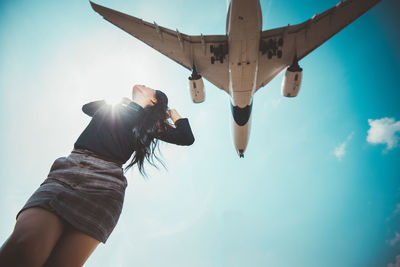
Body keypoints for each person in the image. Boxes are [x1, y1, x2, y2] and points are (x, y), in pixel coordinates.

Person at [0, 85, 195, 267]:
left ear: (154, 101)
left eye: (149, 88)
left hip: (107, 186)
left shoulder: (149, 124)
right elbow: (88, 108)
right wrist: (124, 103)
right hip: (72, 168)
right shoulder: (116, 109)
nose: (144, 84)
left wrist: (172, 113)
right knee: (25, 246)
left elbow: (186, 137)